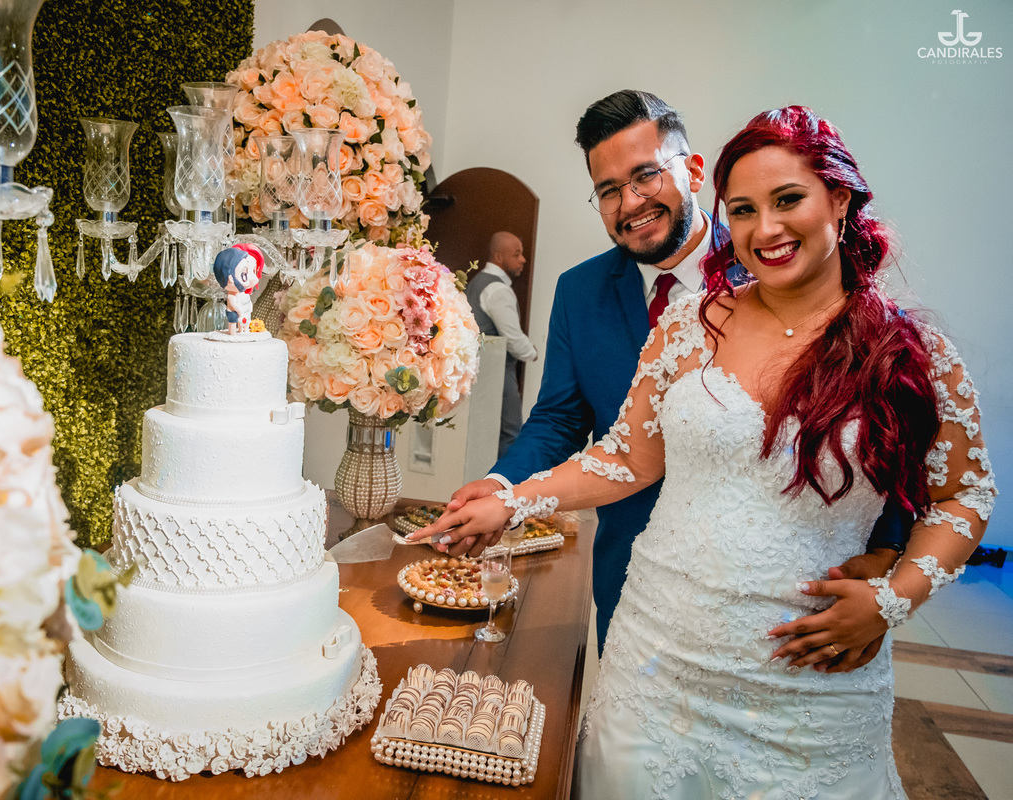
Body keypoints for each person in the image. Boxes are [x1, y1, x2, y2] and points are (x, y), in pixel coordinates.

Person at [417, 105, 994, 798]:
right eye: (744, 210)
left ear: (839, 198)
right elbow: (626, 456)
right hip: (656, 657)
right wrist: (510, 497)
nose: (765, 229)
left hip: (809, 683)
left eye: (788, 200)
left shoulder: (911, 353)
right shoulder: (691, 324)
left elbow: (963, 493)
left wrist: (893, 595)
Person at [437, 90, 907, 664]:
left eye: (645, 176)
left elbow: (889, 430)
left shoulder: (780, 263)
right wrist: (502, 485)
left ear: (694, 171)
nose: (630, 203)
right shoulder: (579, 291)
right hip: (632, 574)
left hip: (790, 598)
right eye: (609, 190)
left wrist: (887, 557)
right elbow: (560, 417)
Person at [465, 232, 539, 457]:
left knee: (480, 433)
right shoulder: (498, 290)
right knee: (511, 431)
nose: (523, 260)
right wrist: (532, 352)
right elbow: (513, 338)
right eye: (516, 254)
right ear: (498, 257)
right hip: (498, 371)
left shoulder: (477, 282)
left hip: (476, 371)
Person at [212, 243, 264, 334]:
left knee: (245, 322)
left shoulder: (244, 294)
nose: (253, 278)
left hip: (245, 310)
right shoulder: (232, 295)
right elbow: (233, 304)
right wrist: (239, 311)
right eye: (244, 274)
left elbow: (247, 301)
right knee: (233, 322)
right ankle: (233, 333)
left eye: (254, 271)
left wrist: (249, 307)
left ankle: (244, 331)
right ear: (230, 278)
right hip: (235, 312)